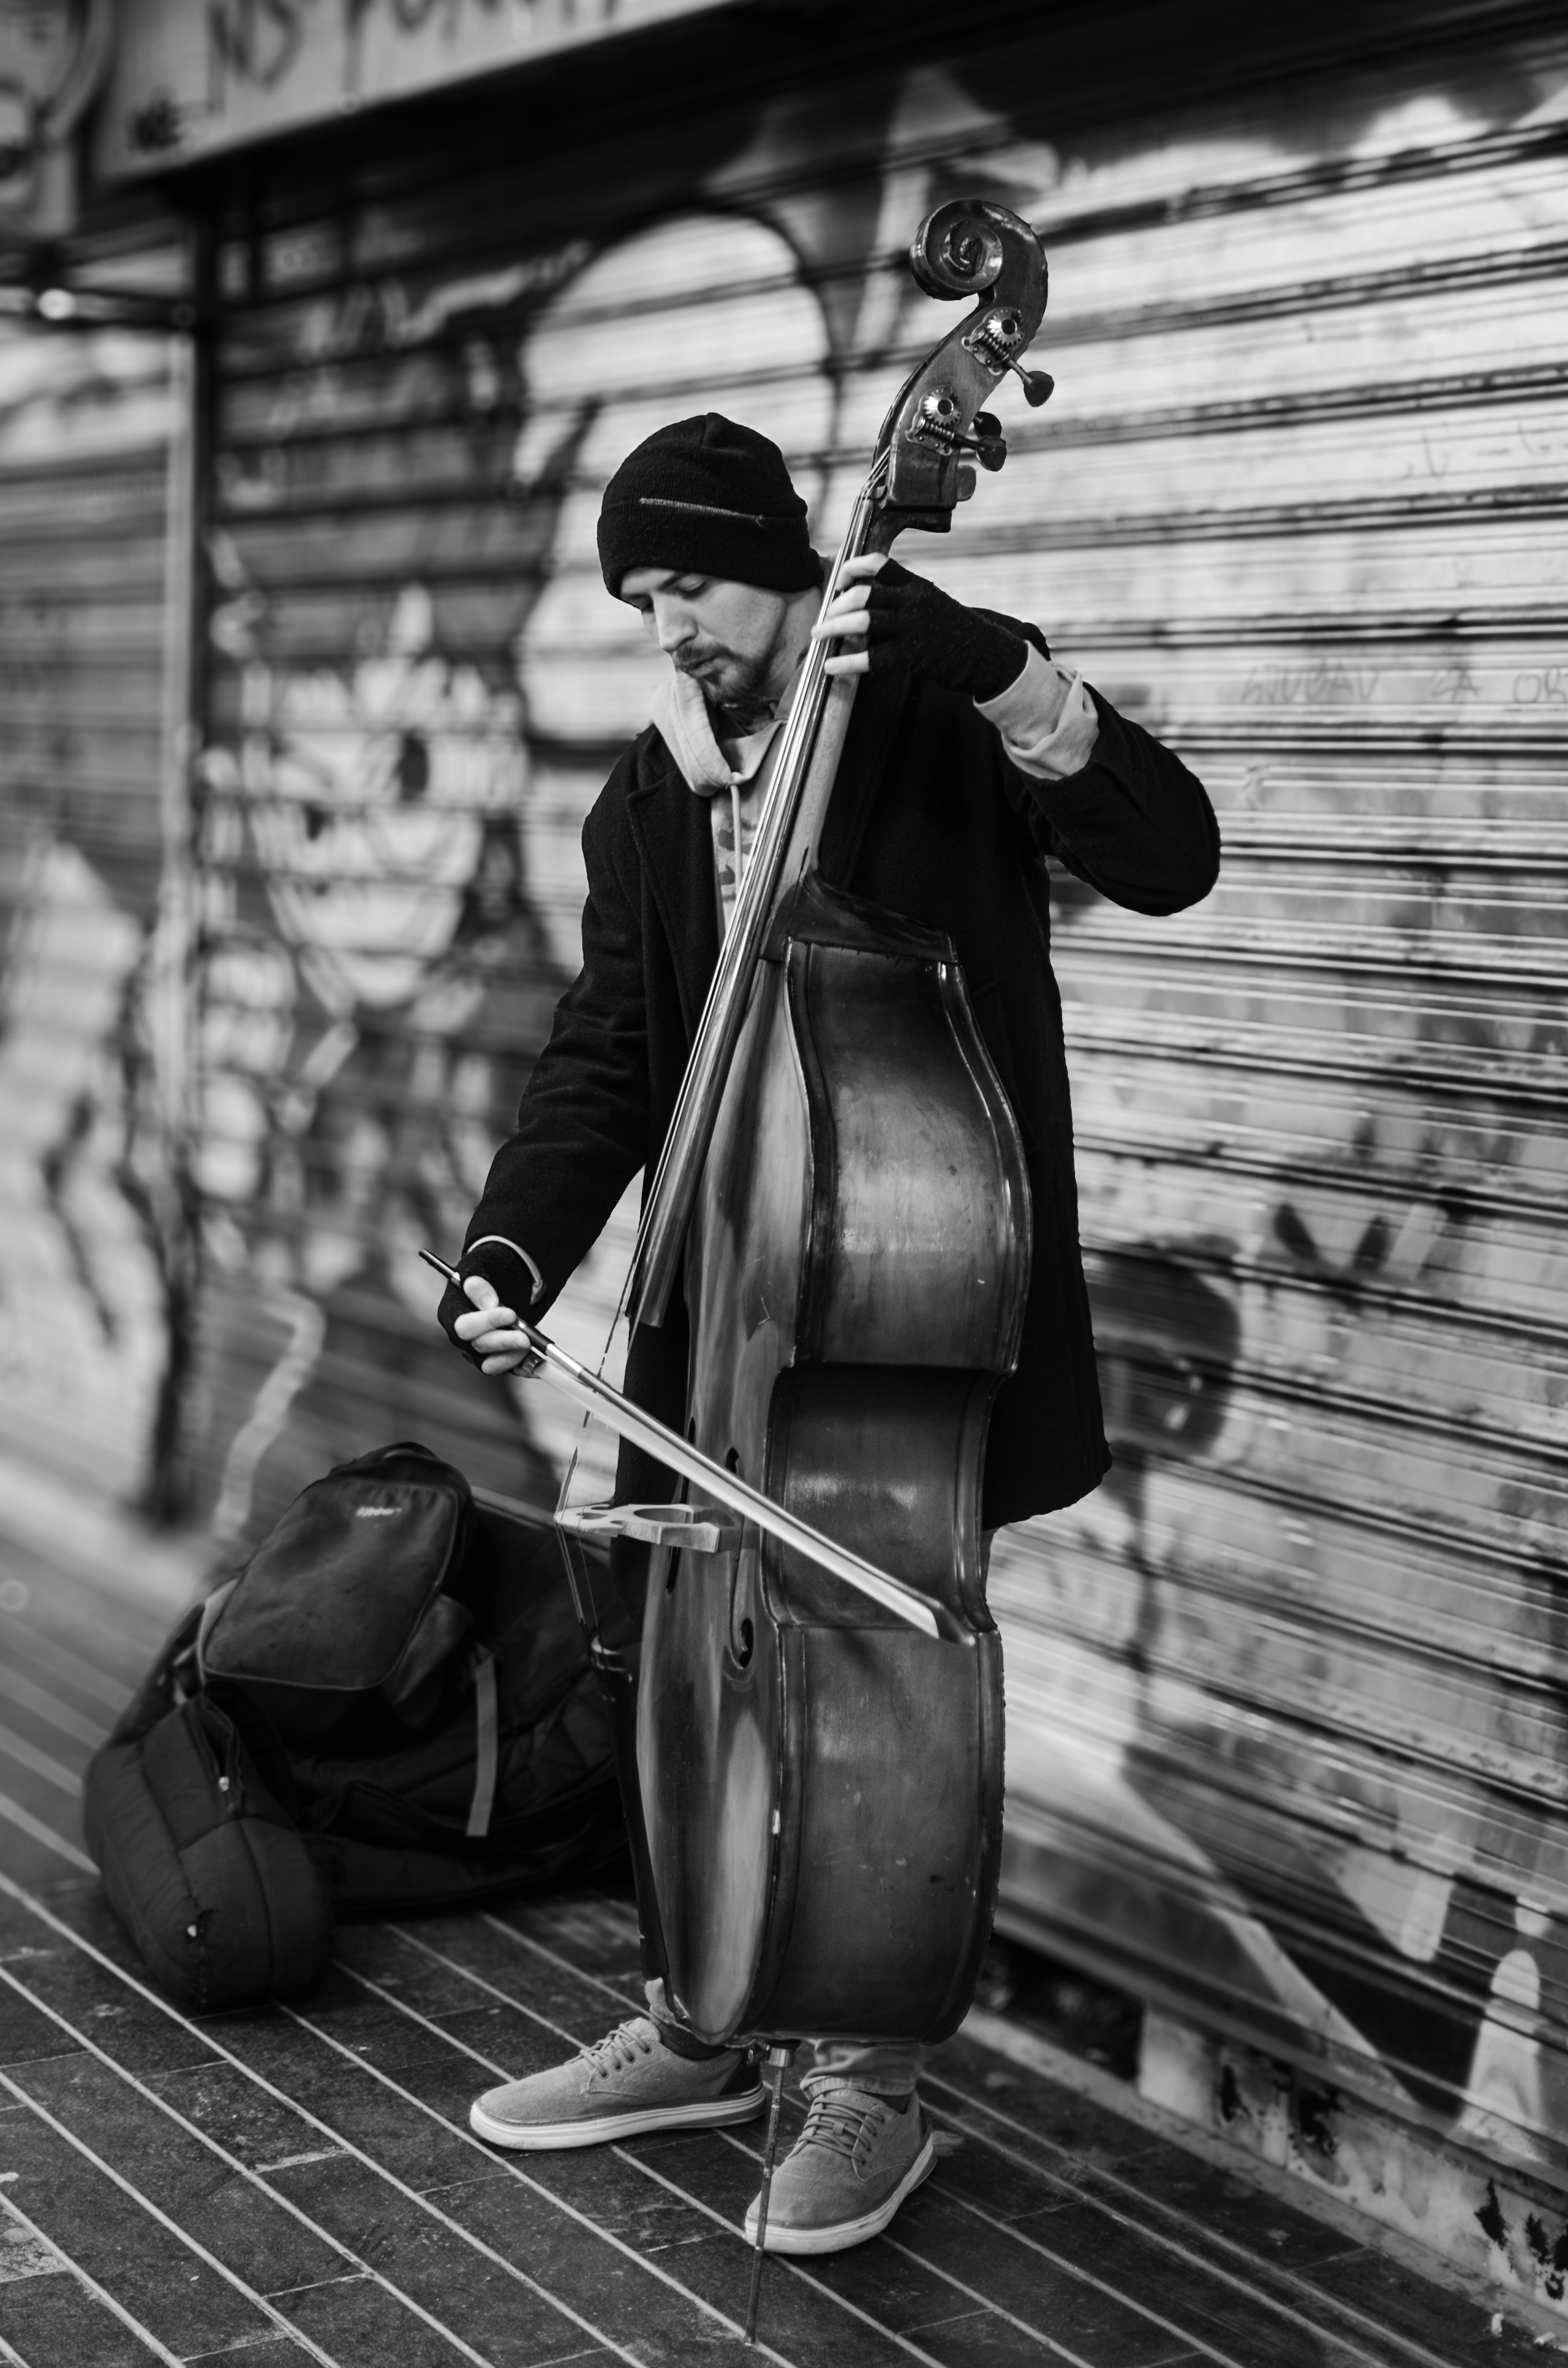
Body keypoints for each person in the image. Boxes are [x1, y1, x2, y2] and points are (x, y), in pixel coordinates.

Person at [437, 412, 1219, 2256]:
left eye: (687, 580)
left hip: (893, 1311)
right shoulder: (644, 795)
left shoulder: (931, 722)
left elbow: (1171, 854)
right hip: (727, 1312)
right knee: (693, 1665)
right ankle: (708, 2012)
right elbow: (612, 1056)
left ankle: (869, 2077)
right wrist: (516, 1244)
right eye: (638, 595)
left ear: (787, 564)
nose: (666, 626)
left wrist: (1019, 676)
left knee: (871, 1665)